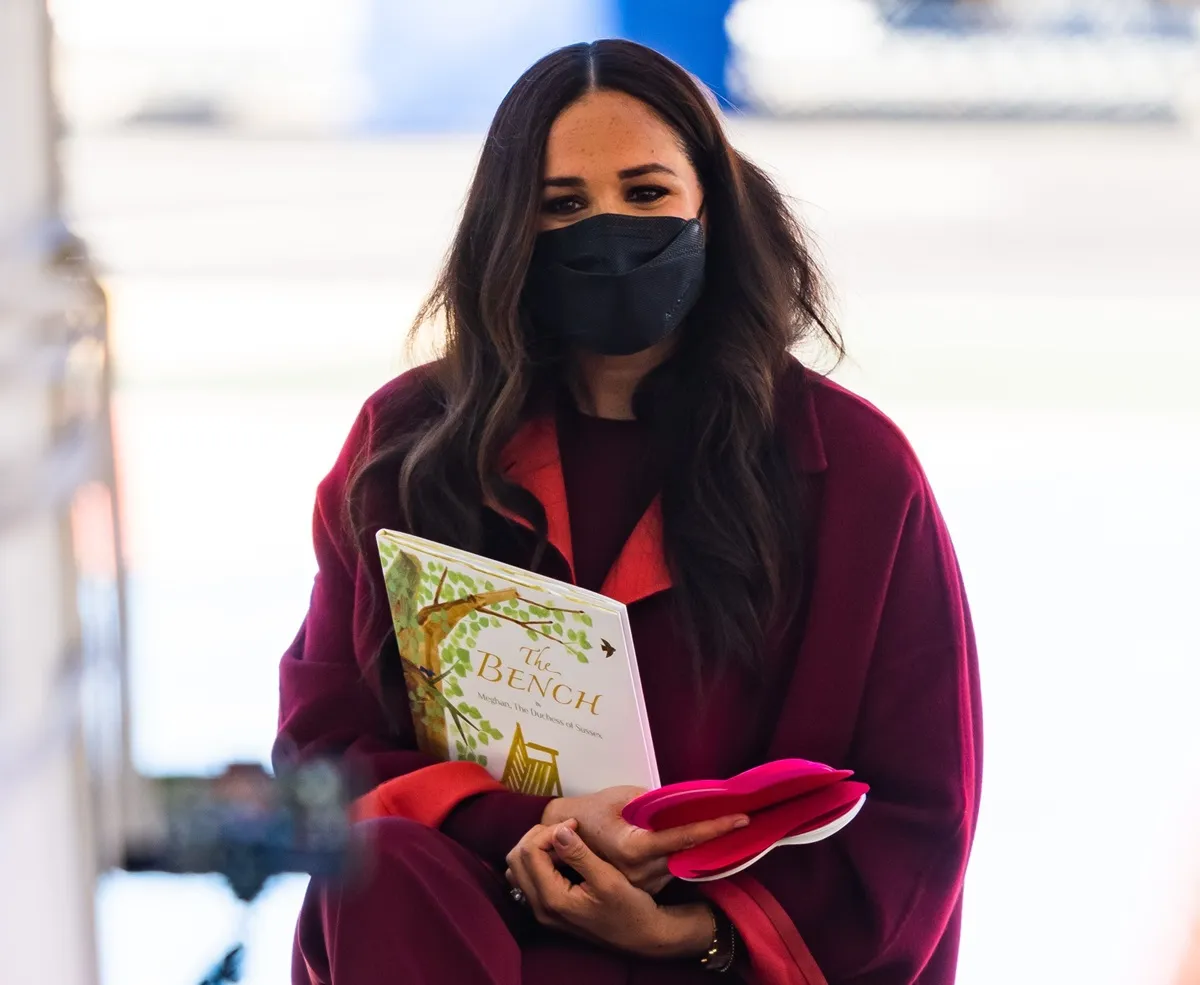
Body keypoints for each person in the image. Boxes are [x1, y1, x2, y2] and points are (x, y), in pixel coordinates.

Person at [275, 39, 981, 985]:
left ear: (714, 210)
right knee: (379, 867)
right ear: (506, 231)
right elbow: (323, 747)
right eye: (562, 205)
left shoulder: (852, 469)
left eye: (646, 193)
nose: (607, 233)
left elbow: (919, 808)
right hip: (468, 931)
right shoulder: (405, 449)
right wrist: (526, 825)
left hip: (721, 956)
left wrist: (687, 928)